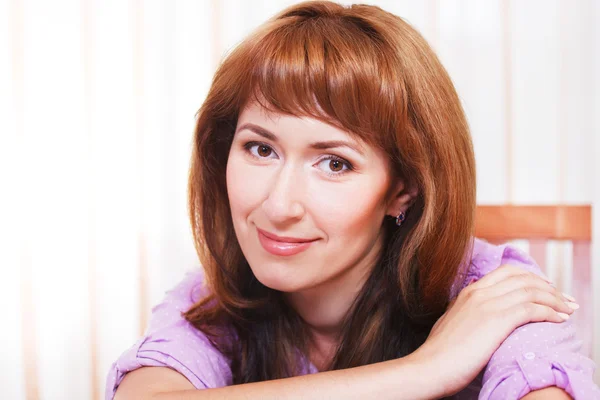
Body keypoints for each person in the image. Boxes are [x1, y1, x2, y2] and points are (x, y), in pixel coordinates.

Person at [106, 1, 599, 399]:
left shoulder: (487, 295)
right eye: (261, 148)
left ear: (402, 188)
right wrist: (425, 371)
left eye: (335, 163)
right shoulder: (216, 301)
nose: (279, 206)